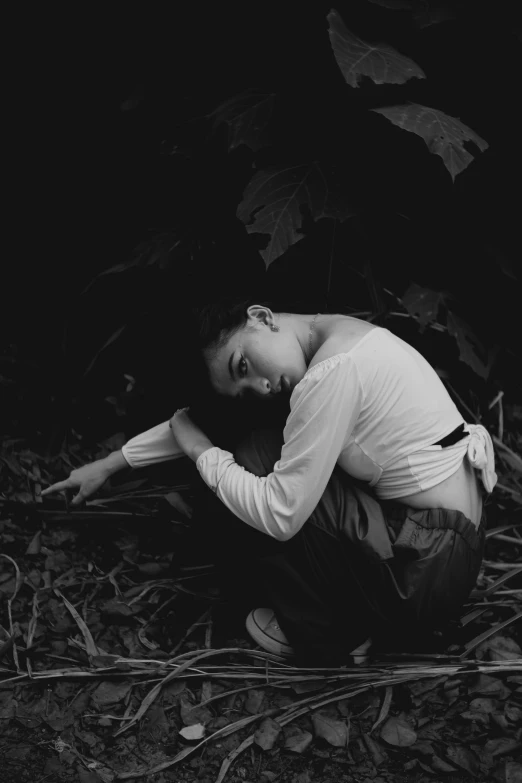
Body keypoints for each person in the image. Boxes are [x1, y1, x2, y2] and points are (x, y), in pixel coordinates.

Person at [41, 301, 497, 665]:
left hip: (419, 572)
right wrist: (111, 463)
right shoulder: (339, 338)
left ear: (260, 317)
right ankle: (356, 611)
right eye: (241, 386)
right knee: (260, 436)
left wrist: (204, 454)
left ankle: (334, 632)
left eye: (243, 365)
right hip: (442, 558)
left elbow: (280, 515)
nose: (259, 386)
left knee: (257, 454)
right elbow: (202, 420)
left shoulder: (333, 371)